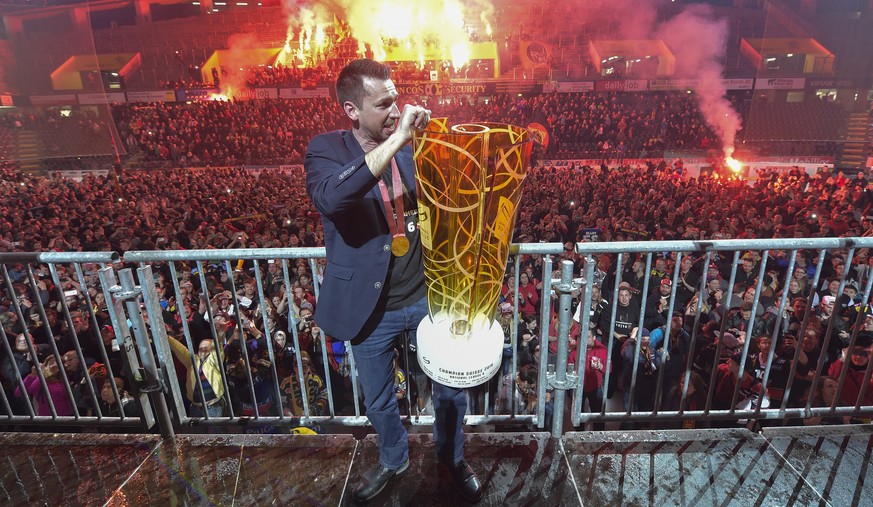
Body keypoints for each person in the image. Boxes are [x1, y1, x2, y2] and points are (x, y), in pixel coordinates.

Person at [304, 59, 482, 502]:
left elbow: (451, 198)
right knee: (380, 400)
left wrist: (439, 144)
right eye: (383, 104)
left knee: (449, 390)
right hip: (372, 307)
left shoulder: (410, 148)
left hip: (426, 297)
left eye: (396, 100)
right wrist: (401, 135)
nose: (395, 110)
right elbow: (331, 198)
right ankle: (393, 458)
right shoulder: (326, 149)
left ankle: (452, 457)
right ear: (351, 109)